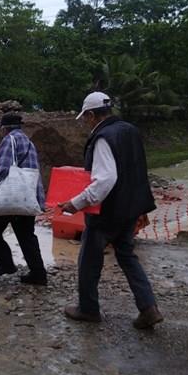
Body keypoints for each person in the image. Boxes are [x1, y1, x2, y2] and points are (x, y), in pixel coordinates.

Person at [58, 92, 163, 329]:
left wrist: (75, 203)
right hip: (130, 209)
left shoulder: (103, 138)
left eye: (85, 117)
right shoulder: (129, 130)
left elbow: (105, 180)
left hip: (108, 212)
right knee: (127, 255)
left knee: (89, 260)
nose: (85, 122)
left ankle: (88, 309)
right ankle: (149, 308)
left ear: (93, 115)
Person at [0, 112, 48, 286]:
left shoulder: (9, 140)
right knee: (26, 235)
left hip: (11, 196)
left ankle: (6, 265)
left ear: (5, 128)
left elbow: (2, 169)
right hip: (28, 197)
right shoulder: (29, 142)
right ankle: (38, 274)